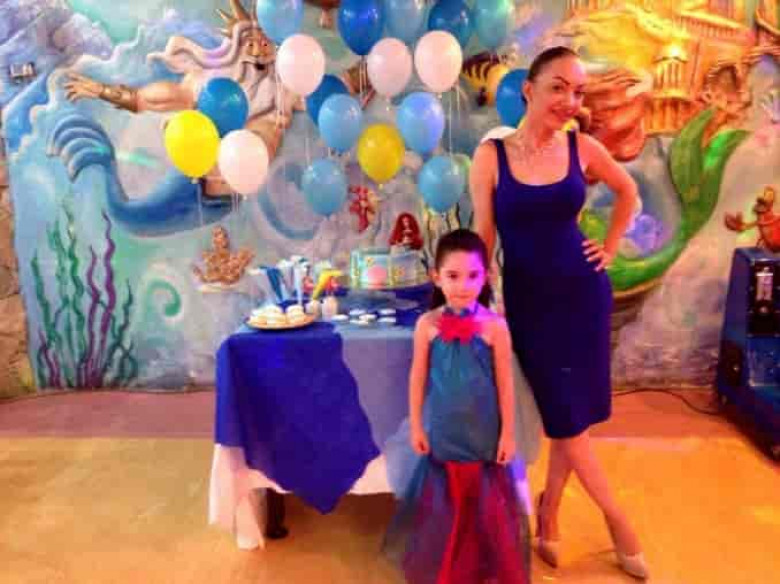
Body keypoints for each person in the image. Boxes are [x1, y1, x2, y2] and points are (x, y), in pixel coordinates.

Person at [469, 46, 648, 579]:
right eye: (558, 87)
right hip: (531, 305)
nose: (570, 101)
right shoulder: (491, 157)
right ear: (529, 89)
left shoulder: (582, 147)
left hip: (585, 297)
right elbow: (484, 236)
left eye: (577, 91)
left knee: (575, 417)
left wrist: (610, 248)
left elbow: (628, 191)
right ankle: (618, 521)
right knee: (564, 418)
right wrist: (475, 305)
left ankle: (550, 513)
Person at [384, 229, 530, 584]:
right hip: (444, 432)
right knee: (447, 506)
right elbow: (417, 378)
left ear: (486, 276)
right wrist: (417, 426)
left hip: (483, 434)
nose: (463, 286)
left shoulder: (495, 327)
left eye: (472, 275)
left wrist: (508, 434)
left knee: (485, 505)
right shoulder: (427, 325)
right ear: (436, 276)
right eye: (453, 275)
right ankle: (450, 567)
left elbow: (505, 384)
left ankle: (482, 565)